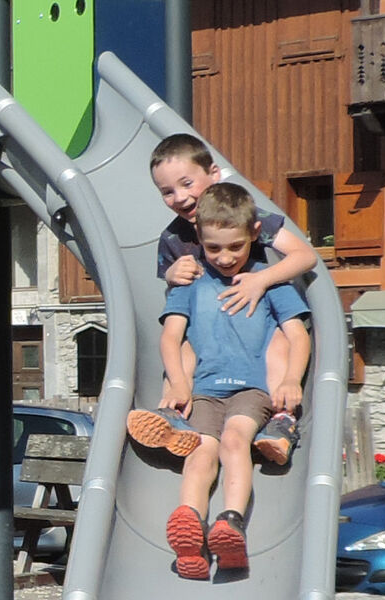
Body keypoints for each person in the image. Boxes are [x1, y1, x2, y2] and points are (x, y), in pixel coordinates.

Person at [138, 182, 312, 579]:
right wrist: (179, 384)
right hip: (203, 391)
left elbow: (297, 335)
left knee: (235, 441)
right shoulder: (189, 284)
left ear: (253, 233)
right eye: (214, 248)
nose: (226, 257)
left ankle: (229, 522)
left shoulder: (269, 282)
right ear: (198, 238)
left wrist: (290, 379)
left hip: (251, 390)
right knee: (200, 452)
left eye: (235, 246)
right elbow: (171, 337)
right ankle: (190, 529)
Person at [127, 133, 316, 462]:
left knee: (280, 342)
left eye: (187, 183)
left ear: (213, 174)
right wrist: (171, 275)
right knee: (181, 343)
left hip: (253, 322)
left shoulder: (244, 214)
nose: (180, 197)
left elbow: (304, 256)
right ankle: (173, 412)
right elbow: (177, 301)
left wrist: (261, 281)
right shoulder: (173, 237)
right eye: (167, 192)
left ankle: (280, 418)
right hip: (210, 333)